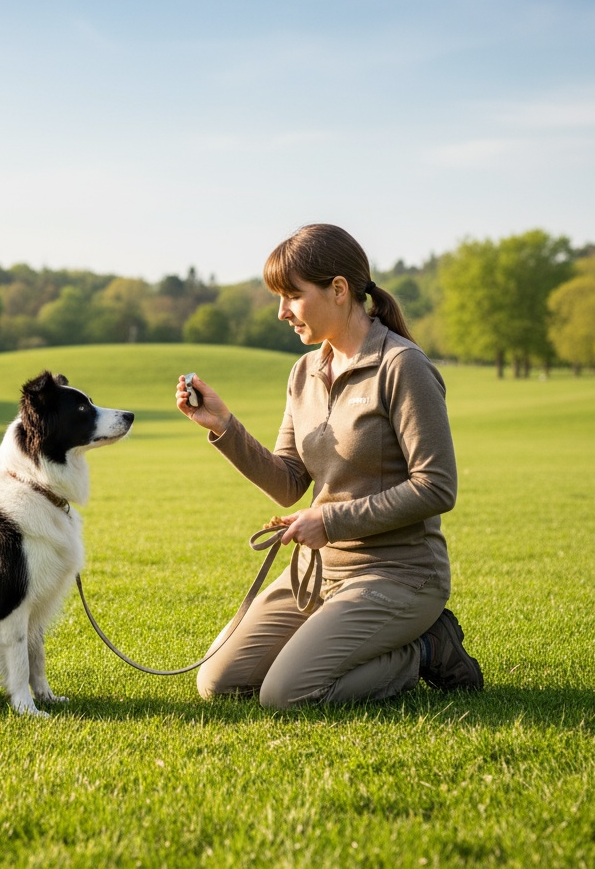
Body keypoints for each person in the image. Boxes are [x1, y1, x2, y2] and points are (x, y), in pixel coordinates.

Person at [176, 223, 483, 707]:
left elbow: (436, 486)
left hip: (397, 574)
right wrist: (224, 426)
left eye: (292, 296)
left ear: (338, 289)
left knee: (286, 694)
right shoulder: (304, 373)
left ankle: (424, 650)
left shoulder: (402, 366)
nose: (282, 312)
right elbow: (288, 482)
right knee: (219, 682)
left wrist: (330, 520)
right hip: (316, 572)